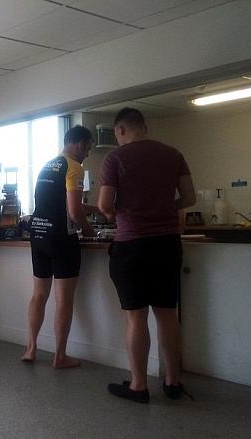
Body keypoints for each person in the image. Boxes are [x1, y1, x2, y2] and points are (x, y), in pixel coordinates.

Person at [98, 108, 196, 403]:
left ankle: (139, 386)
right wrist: (164, 208)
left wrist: (122, 212)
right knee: (167, 314)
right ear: (145, 126)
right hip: (167, 244)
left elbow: (104, 204)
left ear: (120, 130)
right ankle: (173, 382)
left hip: (132, 246)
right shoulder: (173, 153)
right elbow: (190, 197)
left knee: (136, 317)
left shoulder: (115, 158)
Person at [22, 125, 97, 368]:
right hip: (61, 239)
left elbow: (58, 203)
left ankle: (31, 349)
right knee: (63, 299)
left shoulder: (47, 165)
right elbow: (74, 212)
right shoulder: (75, 168)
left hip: (39, 236)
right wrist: (90, 231)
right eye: (88, 148)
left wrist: (94, 209)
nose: (87, 154)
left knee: (39, 295)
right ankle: (60, 356)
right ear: (80, 144)